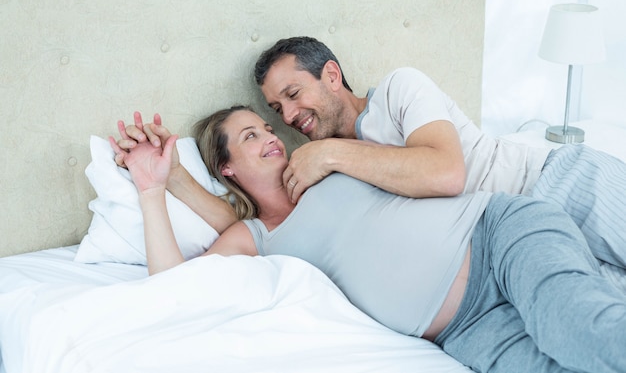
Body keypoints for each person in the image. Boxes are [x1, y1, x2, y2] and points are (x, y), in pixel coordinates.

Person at [112, 106, 626, 373]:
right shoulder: (255, 239)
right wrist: (156, 187)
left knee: (582, 333)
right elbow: (172, 291)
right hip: (464, 329)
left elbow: (438, 168)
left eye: (268, 127)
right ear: (225, 167)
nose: (272, 135)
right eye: (251, 136)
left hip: (500, 236)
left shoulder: (330, 161)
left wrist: (332, 153)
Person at [253, 36, 626, 268]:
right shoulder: (328, 166)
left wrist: (331, 153)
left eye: (293, 94)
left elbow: (446, 173)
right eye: (276, 109)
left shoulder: (399, 88)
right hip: (521, 245)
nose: (287, 115)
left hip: (557, 184)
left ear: (332, 76)